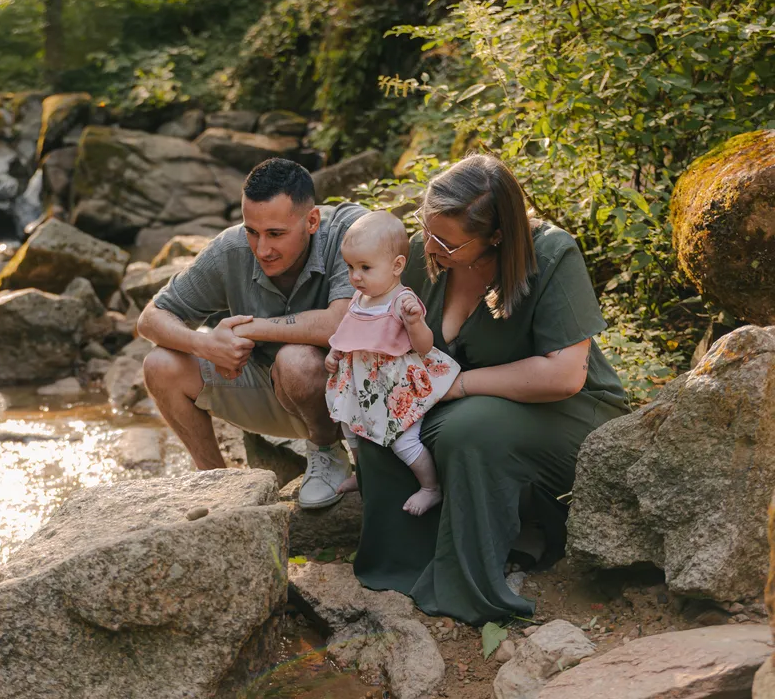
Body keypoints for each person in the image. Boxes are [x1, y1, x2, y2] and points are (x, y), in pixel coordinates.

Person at [352, 154, 631, 626]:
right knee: (382, 418)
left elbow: (565, 374)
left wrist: (458, 385)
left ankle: (471, 586)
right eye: (427, 228)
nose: (431, 246)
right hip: (465, 403)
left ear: (496, 236)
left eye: (447, 241)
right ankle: (404, 565)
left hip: (570, 412)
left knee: (468, 428)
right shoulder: (429, 254)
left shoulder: (551, 253)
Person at [138, 158, 366, 509]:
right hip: (270, 392)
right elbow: (150, 319)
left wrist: (250, 329)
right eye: (252, 231)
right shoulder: (230, 249)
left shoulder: (350, 231)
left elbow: (341, 323)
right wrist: (206, 344)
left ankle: (326, 453)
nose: (261, 249)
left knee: (296, 359)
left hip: (350, 400)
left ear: (311, 221)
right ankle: (219, 488)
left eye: (276, 234)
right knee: (159, 365)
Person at [323, 210, 459, 513]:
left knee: (404, 441)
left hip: (397, 388)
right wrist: (335, 352)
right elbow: (348, 331)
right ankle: (363, 474)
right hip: (364, 384)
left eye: (365, 267)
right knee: (348, 426)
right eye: (350, 267)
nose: (355, 276)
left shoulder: (401, 301)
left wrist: (414, 322)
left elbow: (424, 346)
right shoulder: (360, 298)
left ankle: (430, 487)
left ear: (397, 266)